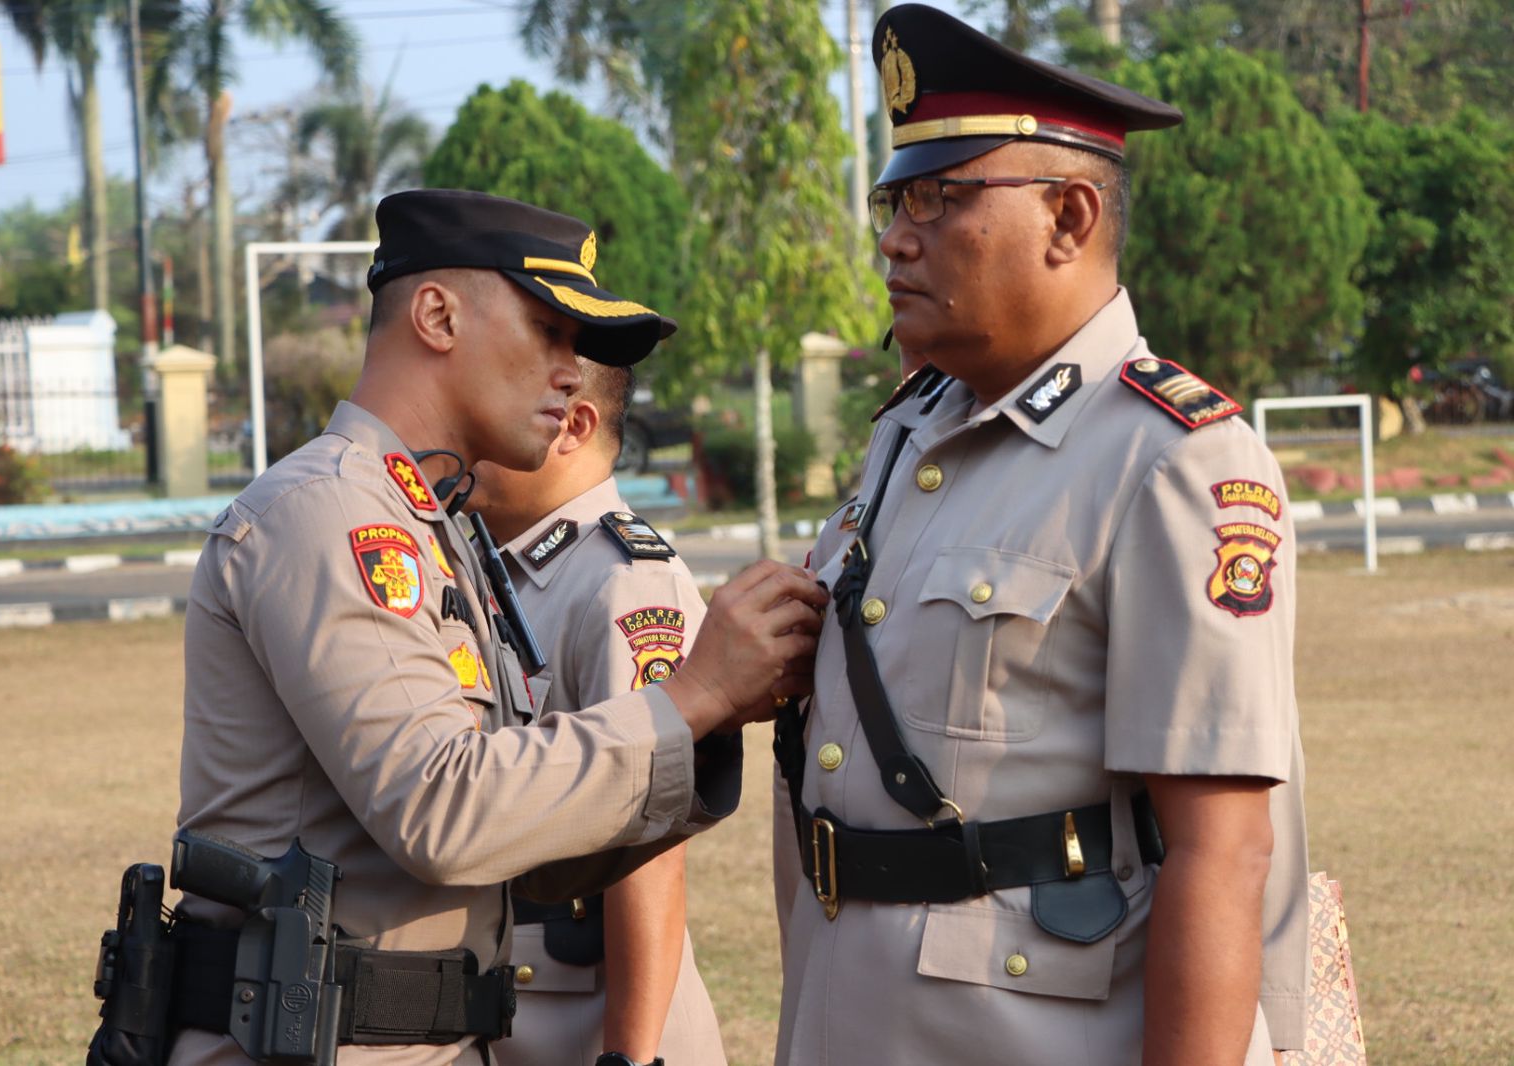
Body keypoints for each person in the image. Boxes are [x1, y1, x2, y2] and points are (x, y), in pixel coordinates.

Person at [170, 189, 826, 1066]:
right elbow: (442, 811)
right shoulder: (332, 511)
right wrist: (690, 698)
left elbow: (527, 859)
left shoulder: (436, 527)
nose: (571, 369)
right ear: (436, 316)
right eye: (550, 330)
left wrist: (705, 721)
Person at [771, 6, 1308, 1065]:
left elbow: (1221, 850)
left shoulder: (1172, 460)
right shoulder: (908, 434)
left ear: (1067, 217)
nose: (893, 235)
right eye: (895, 199)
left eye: (940, 196)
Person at [471, 359, 727, 1066]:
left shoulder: (624, 582)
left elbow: (652, 844)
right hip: (512, 1001)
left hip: (588, 1024)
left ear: (573, 425)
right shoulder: (501, 568)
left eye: (491, 402)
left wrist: (630, 1058)